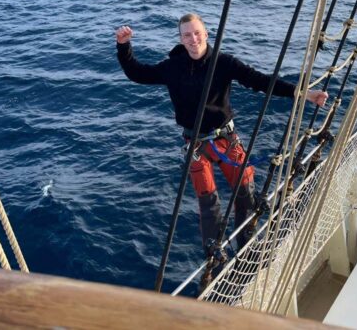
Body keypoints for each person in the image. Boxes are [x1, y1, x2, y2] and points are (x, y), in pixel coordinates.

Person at [115, 14, 328, 256]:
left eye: (197, 33)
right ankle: (215, 254)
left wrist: (304, 93)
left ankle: (246, 242)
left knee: (246, 192)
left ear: (206, 34)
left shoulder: (223, 63)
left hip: (227, 139)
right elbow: (138, 74)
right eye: (187, 35)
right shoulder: (172, 67)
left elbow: (260, 81)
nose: (193, 39)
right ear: (181, 39)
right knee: (208, 201)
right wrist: (124, 46)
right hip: (195, 143)